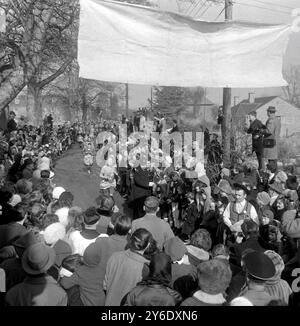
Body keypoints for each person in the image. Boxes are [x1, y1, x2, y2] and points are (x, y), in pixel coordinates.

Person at [104, 228, 152, 306]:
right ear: (148, 245)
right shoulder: (147, 268)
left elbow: (105, 285)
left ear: (131, 240)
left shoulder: (115, 256)